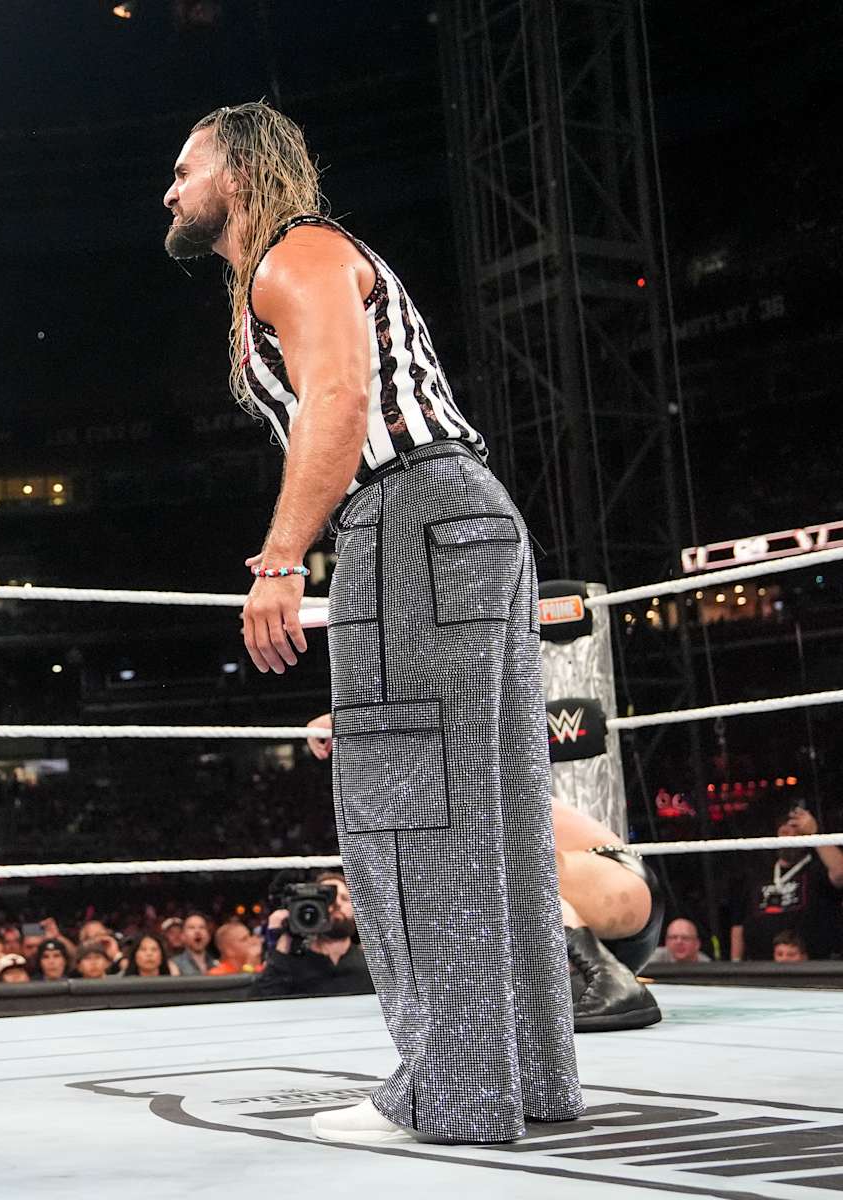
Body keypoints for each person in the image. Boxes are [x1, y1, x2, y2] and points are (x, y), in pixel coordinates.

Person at [166, 102, 581, 1145]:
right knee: (487, 813)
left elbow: (340, 404)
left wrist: (279, 562)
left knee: (409, 815)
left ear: (239, 171)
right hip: (463, 517)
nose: (170, 190)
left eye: (185, 169)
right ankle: (524, 1079)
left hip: (410, 517)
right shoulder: (304, 261)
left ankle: (450, 1092)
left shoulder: (296, 253)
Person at [306, 713, 662, 1031]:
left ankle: (608, 977)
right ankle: (595, 974)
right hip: (587, 933)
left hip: (612, 884)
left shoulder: (467, 765)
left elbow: (437, 727)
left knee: (479, 855)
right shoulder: (432, 797)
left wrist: (347, 722)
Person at [732, 805, 843, 962]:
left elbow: (840, 872)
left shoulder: (817, 869)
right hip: (761, 967)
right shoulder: (758, 873)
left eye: (794, 829)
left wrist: (815, 834)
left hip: (812, 966)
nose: (787, 834)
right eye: (783, 830)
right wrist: (735, 964)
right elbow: (738, 923)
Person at [253, 871, 373, 999]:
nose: (337, 903)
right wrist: (285, 938)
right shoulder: (291, 966)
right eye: (329, 898)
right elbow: (260, 1001)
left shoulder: (371, 964)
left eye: (345, 898)